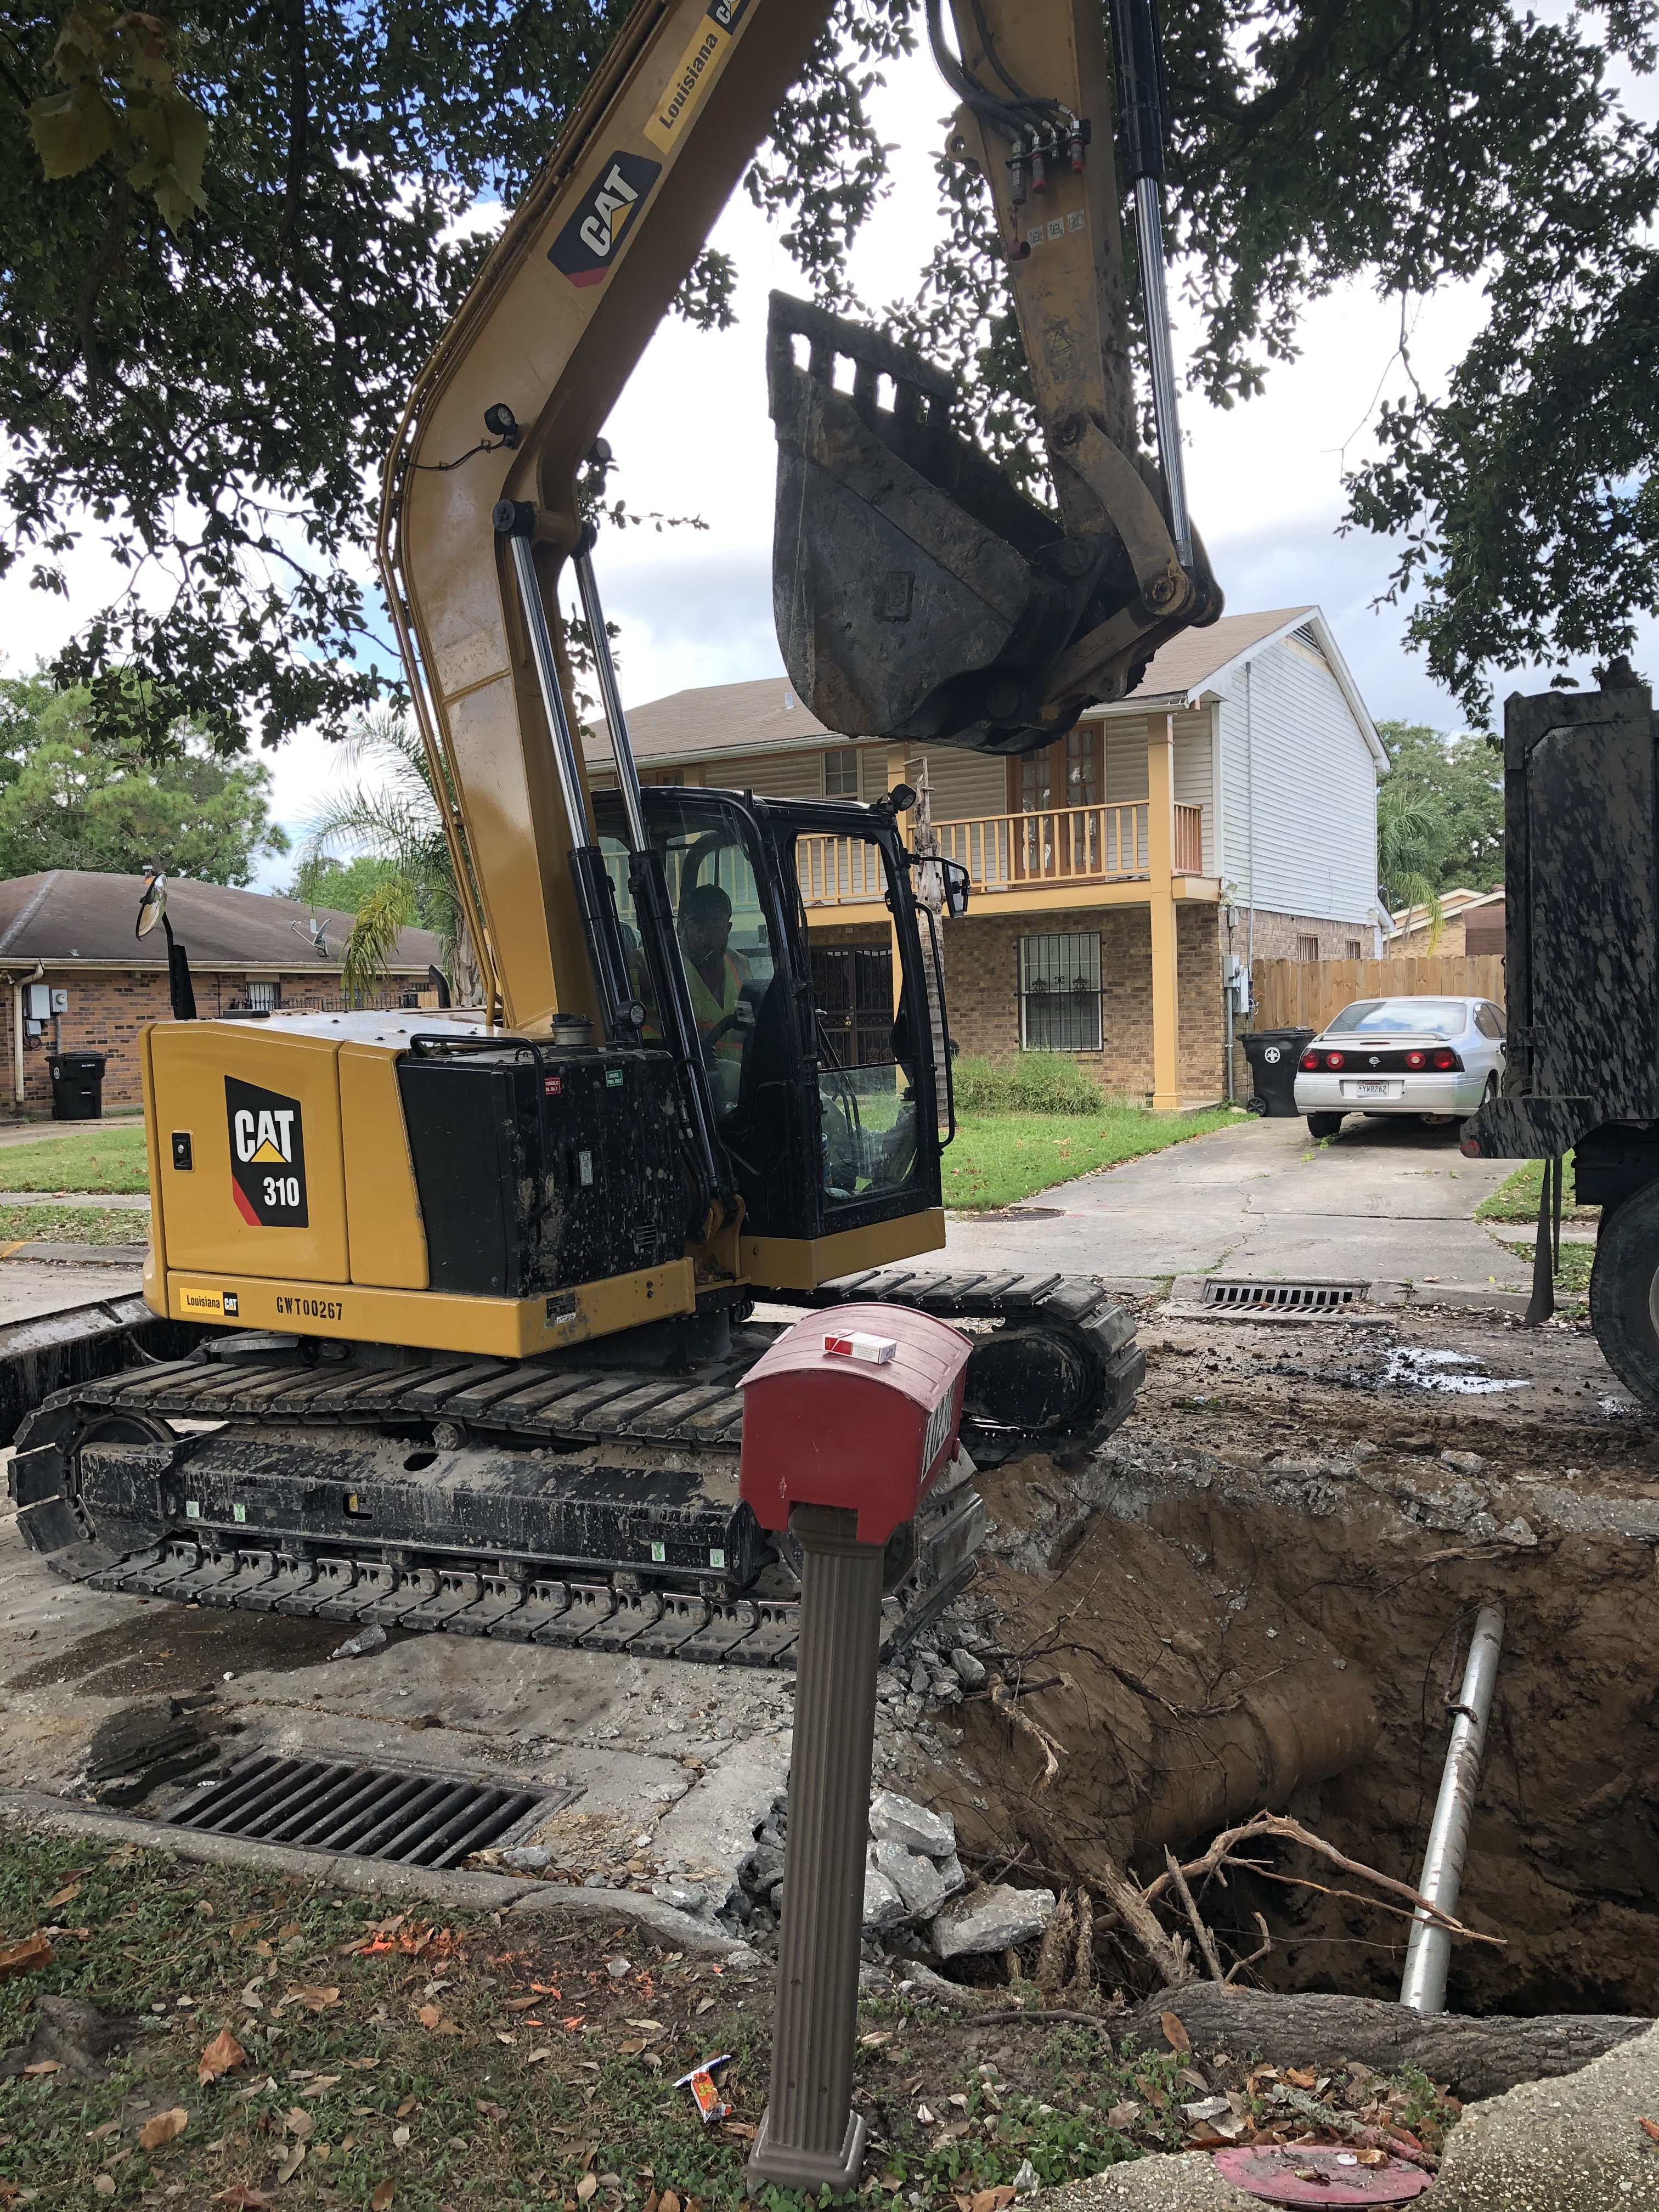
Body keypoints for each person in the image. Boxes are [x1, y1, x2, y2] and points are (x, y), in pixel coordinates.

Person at [678, 881, 751, 1104]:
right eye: (698, 928)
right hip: (687, 1077)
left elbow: (749, 1024)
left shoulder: (740, 965)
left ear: (728, 929)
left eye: (715, 929)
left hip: (736, 1086)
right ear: (684, 926)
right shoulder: (652, 964)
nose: (704, 938)